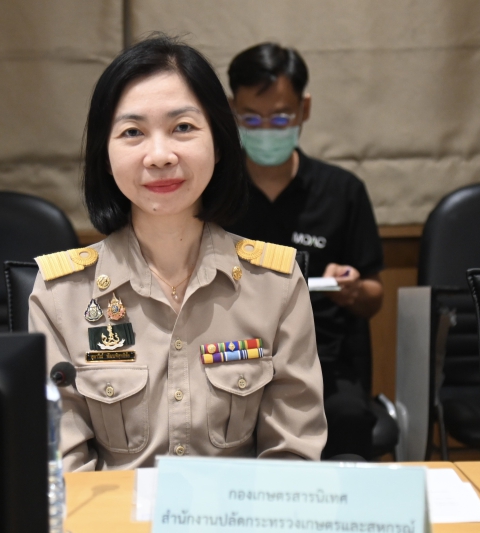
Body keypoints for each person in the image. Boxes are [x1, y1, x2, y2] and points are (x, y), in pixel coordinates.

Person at [28, 35, 327, 472]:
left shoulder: (276, 284)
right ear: (105, 156)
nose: (160, 156)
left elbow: (292, 458)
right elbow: (64, 470)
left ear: (220, 143)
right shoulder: (62, 294)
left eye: (183, 127)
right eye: (132, 132)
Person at [226, 43, 384, 460]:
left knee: (348, 419)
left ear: (304, 109)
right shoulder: (214, 194)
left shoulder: (342, 191)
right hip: (233, 360)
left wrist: (352, 289)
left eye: (280, 118)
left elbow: (374, 295)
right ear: (232, 110)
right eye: (251, 118)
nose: (266, 129)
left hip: (323, 360)